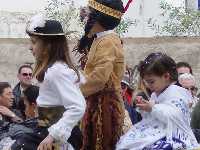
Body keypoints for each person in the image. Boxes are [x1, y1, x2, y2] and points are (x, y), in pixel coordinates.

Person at [11, 14, 86, 150]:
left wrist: (52, 136)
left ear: (48, 46)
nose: (30, 47)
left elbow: (77, 106)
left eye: (34, 42)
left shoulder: (57, 71)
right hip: (47, 129)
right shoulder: (55, 69)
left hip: (58, 137)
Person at [116, 52, 199, 150]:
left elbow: (174, 115)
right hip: (159, 132)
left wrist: (152, 108)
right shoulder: (155, 94)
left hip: (177, 136)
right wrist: (144, 108)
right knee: (129, 143)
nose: (148, 85)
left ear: (166, 76)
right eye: (146, 82)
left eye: (151, 81)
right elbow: (152, 117)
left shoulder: (177, 92)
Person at [75, 0, 126, 149]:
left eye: (89, 13)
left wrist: (73, 92)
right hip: (96, 100)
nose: (85, 16)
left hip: (104, 105)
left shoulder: (108, 41)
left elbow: (99, 78)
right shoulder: (101, 38)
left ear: (98, 17)